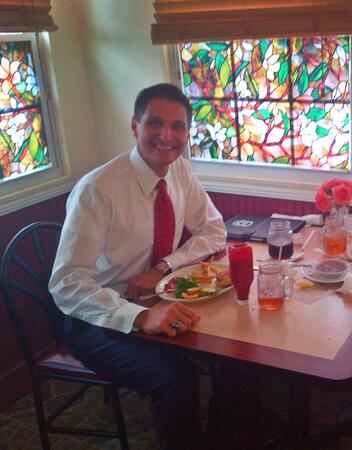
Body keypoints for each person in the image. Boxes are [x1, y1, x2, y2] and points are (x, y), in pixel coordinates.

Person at [49, 83, 227, 449]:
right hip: (96, 318)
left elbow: (214, 230)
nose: (166, 136)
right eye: (155, 123)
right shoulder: (98, 189)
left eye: (177, 126)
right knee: (175, 377)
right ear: (135, 126)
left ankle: (230, 429)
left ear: (187, 133)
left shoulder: (180, 171)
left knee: (229, 344)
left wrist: (163, 266)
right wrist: (140, 317)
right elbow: (67, 282)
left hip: (156, 297)